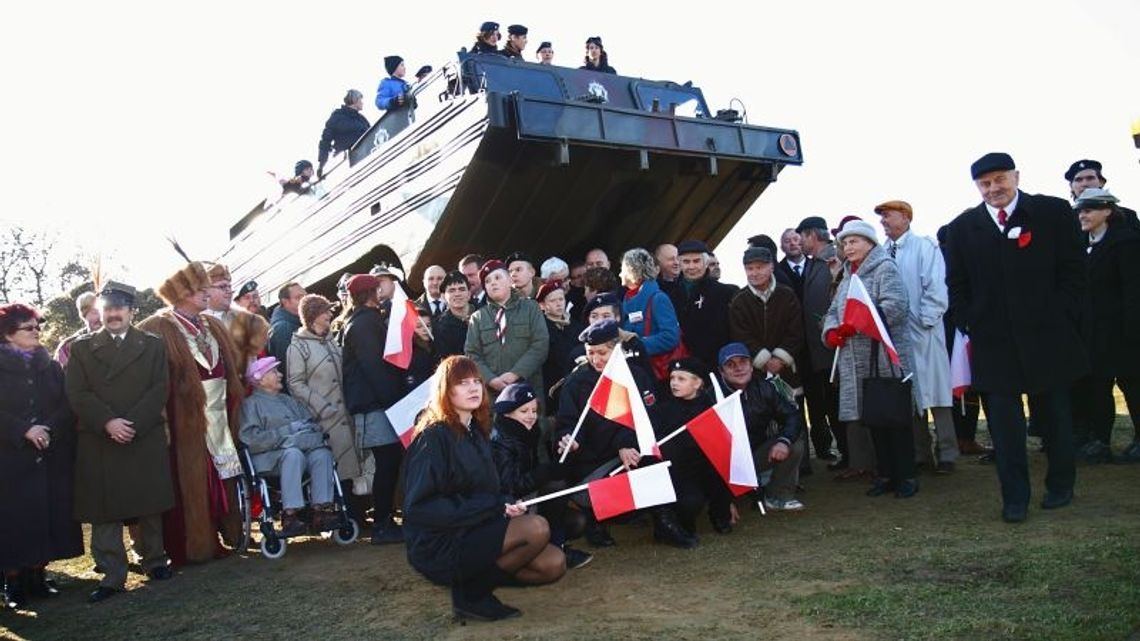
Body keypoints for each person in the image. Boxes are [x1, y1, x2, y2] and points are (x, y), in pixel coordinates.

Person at [944, 152, 1086, 523]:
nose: (994, 189)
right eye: (985, 184)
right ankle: (1015, 498)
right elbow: (956, 284)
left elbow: (1074, 271)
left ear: (1016, 176)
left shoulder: (1053, 214)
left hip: (1047, 338)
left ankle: (1060, 485)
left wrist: (1061, 312)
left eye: (1000, 180)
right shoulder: (962, 229)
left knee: (1055, 419)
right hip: (994, 345)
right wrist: (969, 319)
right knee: (1006, 430)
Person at [404, 356, 565, 621]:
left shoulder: (476, 430)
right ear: (446, 389)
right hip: (441, 542)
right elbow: (419, 509)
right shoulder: (433, 437)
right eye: (462, 383)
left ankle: (475, 578)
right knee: (536, 527)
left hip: (477, 526)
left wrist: (504, 503)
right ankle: (471, 595)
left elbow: (488, 489)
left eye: (477, 381)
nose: (473, 388)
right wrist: (491, 507)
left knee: (553, 564)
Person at [67, 283, 175, 602]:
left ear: (131, 311)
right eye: (108, 308)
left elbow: (160, 388)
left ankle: (155, 561)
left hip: (143, 433)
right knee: (105, 510)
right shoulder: (82, 348)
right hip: (101, 438)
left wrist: (134, 423)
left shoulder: (153, 346)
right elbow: (77, 393)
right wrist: (108, 423)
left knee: (149, 502)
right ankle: (112, 575)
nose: (113, 314)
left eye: (120, 308)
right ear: (99, 312)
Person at [137, 262, 246, 565]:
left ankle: (231, 531)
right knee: (191, 482)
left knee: (224, 477)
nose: (205, 294)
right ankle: (195, 543)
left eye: (205, 288)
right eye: (198, 289)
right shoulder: (157, 329)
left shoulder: (213, 326)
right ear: (181, 294)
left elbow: (230, 368)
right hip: (184, 423)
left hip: (221, 418)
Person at [554, 320, 692, 548]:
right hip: (594, 462)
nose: (596, 359)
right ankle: (595, 519)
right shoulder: (576, 383)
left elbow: (650, 418)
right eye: (590, 353)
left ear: (617, 349)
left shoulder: (637, 376)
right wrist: (569, 438)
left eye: (602, 353)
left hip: (632, 452)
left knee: (663, 452)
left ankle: (664, 522)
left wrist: (625, 443)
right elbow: (567, 422)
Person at [823, 219, 919, 498]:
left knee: (894, 419)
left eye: (854, 241)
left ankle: (906, 475)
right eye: (845, 243)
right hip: (855, 360)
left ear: (870, 243)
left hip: (883, 358)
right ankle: (885, 474)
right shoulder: (847, 275)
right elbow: (833, 312)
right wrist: (831, 332)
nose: (848, 247)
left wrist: (859, 323)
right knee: (874, 419)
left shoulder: (884, 268)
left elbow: (896, 306)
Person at [1, 303, 83, 609]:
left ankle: (38, 575)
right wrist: (23, 429)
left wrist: (48, 427)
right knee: (13, 520)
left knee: (46, 514)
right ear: (9, 334)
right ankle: (12, 581)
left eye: (38, 327)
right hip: (9, 458)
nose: (37, 332)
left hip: (49, 453)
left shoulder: (49, 365)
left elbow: (65, 403)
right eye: (29, 328)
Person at [875, 200, 959, 473]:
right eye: (882, 217)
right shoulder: (882, 253)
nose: (884, 221)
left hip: (924, 333)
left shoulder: (924, 247)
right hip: (898, 337)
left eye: (888, 215)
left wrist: (925, 321)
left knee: (937, 393)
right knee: (910, 394)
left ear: (906, 217)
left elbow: (936, 286)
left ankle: (947, 452)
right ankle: (920, 452)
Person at [1070, 188, 1140, 463]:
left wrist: (1134, 331)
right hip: (1092, 332)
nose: (1083, 215)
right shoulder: (1082, 244)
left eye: (1089, 210)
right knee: (1097, 388)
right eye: (1080, 210)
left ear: (1107, 211)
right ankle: (1100, 440)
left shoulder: (1127, 243)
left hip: (1124, 332)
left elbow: (1134, 290)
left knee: (1133, 387)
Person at [490, 383, 592, 569]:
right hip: (507, 508)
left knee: (578, 522)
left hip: (526, 500)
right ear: (508, 413)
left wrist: (563, 455)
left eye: (534, 410)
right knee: (556, 484)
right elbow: (511, 485)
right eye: (524, 411)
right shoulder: (499, 442)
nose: (531, 416)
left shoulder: (528, 432)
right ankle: (553, 548)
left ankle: (551, 545)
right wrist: (547, 471)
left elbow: (536, 472)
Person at [340, 274, 409, 545]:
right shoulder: (365, 324)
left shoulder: (360, 321)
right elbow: (375, 368)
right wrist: (396, 403)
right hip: (376, 405)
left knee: (388, 463)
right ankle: (382, 523)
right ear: (372, 292)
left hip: (374, 404)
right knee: (387, 463)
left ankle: (385, 520)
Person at [239, 357, 339, 536]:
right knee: (293, 454)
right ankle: (290, 514)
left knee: (321, 454)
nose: (280, 375)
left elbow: (311, 425)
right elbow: (251, 440)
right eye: (274, 372)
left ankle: (321, 510)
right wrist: (287, 434)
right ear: (260, 379)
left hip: (298, 452)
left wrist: (308, 433)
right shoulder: (251, 405)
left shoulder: (289, 401)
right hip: (269, 458)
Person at [287, 294, 364, 490]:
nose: (330, 314)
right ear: (313, 316)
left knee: (355, 465)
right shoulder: (298, 347)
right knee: (337, 470)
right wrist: (321, 407)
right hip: (325, 419)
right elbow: (295, 384)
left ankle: (360, 510)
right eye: (325, 311)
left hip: (346, 414)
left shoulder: (331, 341)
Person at [716, 342, 805, 511]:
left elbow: (792, 416)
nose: (738, 368)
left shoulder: (764, 388)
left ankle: (777, 495)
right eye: (730, 364)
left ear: (751, 366)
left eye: (743, 362)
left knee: (794, 443)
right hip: (725, 464)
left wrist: (783, 441)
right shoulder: (712, 396)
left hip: (755, 455)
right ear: (721, 371)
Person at [652, 357, 733, 539]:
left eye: (681, 379)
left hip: (709, 465)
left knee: (721, 483)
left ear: (697, 383)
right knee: (689, 502)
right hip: (682, 471)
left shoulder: (712, 407)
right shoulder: (664, 409)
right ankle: (683, 523)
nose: (674, 383)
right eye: (672, 378)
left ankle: (720, 516)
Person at [728, 246, 804, 409]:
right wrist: (764, 360)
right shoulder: (739, 300)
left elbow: (796, 331)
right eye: (750, 268)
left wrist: (780, 359)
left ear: (771, 267)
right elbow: (740, 334)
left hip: (787, 370)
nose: (754, 273)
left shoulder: (787, 295)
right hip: (756, 372)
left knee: (794, 416)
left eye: (760, 267)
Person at [465, 260, 550, 396]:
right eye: (487, 281)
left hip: (528, 389)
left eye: (498, 277)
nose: (493, 283)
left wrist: (515, 374)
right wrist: (491, 379)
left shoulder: (531, 308)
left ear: (510, 281)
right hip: (493, 394)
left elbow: (540, 345)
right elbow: (472, 354)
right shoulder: (478, 318)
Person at [670, 239, 737, 371]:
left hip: (718, 365)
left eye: (696, 261)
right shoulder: (670, 296)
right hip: (685, 367)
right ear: (679, 263)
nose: (691, 267)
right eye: (686, 262)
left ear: (706, 263)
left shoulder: (726, 292)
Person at [620, 248, 681, 378]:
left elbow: (670, 337)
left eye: (622, 269)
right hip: (637, 369)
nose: (619, 274)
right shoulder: (627, 299)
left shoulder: (658, 298)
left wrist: (637, 344)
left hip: (656, 372)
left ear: (632, 270)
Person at [204, 263, 269, 369]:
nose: (229, 291)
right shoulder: (200, 323)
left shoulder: (240, 317)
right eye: (222, 286)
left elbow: (252, 359)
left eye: (229, 286)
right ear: (206, 290)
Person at [536, 281, 583, 413]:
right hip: (552, 387)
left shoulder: (576, 325)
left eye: (561, 299)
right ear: (542, 305)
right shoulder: (540, 328)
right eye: (552, 300)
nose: (558, 303)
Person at [1064, 159, 1139, 229]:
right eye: (1078, 180)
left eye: (1090, 178)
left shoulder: (1127, 216)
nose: (1085, 184)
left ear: (1101, 182)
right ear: (1071, 186)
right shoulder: (1065, 217)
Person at [317, 89, 370, 179]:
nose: (362, 103)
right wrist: (321, 165)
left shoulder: (362, 119)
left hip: (365, 156)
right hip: (347, 163)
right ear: (354, 100)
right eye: (360, 100)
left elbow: (370, 134)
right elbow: (325, 142)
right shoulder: (337, 117)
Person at [268, 282, 306, 389]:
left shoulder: (297, 323)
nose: (305, 300)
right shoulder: (283, 329)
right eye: (299, 297)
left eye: (305, 296)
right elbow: (288, 370)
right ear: (285, 302)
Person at [54, 291, 102, 368]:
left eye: (103, 312)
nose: (100, 317)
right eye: (94, 312)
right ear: (84, 315)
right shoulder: (68, 348)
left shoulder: (120, 340)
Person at [433, 271, 475, 360]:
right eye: (451, 290)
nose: (457, 294)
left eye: (462, 289)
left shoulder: (484, 314)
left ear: (469, 293)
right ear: (444, 296)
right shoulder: (440, 326)